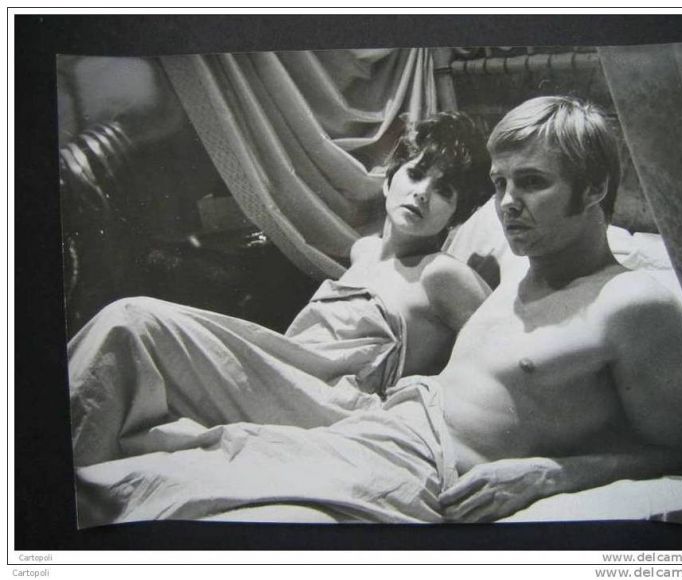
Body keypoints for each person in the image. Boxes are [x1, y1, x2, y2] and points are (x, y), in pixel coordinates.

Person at [74, 96, 682, 526]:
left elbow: (679, 447)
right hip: (387, 423)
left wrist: (549, 474)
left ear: (594, 189)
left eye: (533, 182)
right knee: (157, 476)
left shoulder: (636, 302)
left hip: (425, 467)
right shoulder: (521, 267)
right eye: (499, 183)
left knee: (207, 512)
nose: (508, 203)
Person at [67, 111, 494, 468]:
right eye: (416, 174)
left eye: (444, 190)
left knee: (133, 322)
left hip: (330, 406)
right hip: (288, 376)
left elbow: (505, 353)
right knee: (135, 369)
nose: (422, 194)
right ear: (388, 181)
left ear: (456, 216)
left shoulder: (441, 274)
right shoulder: (362, 251)